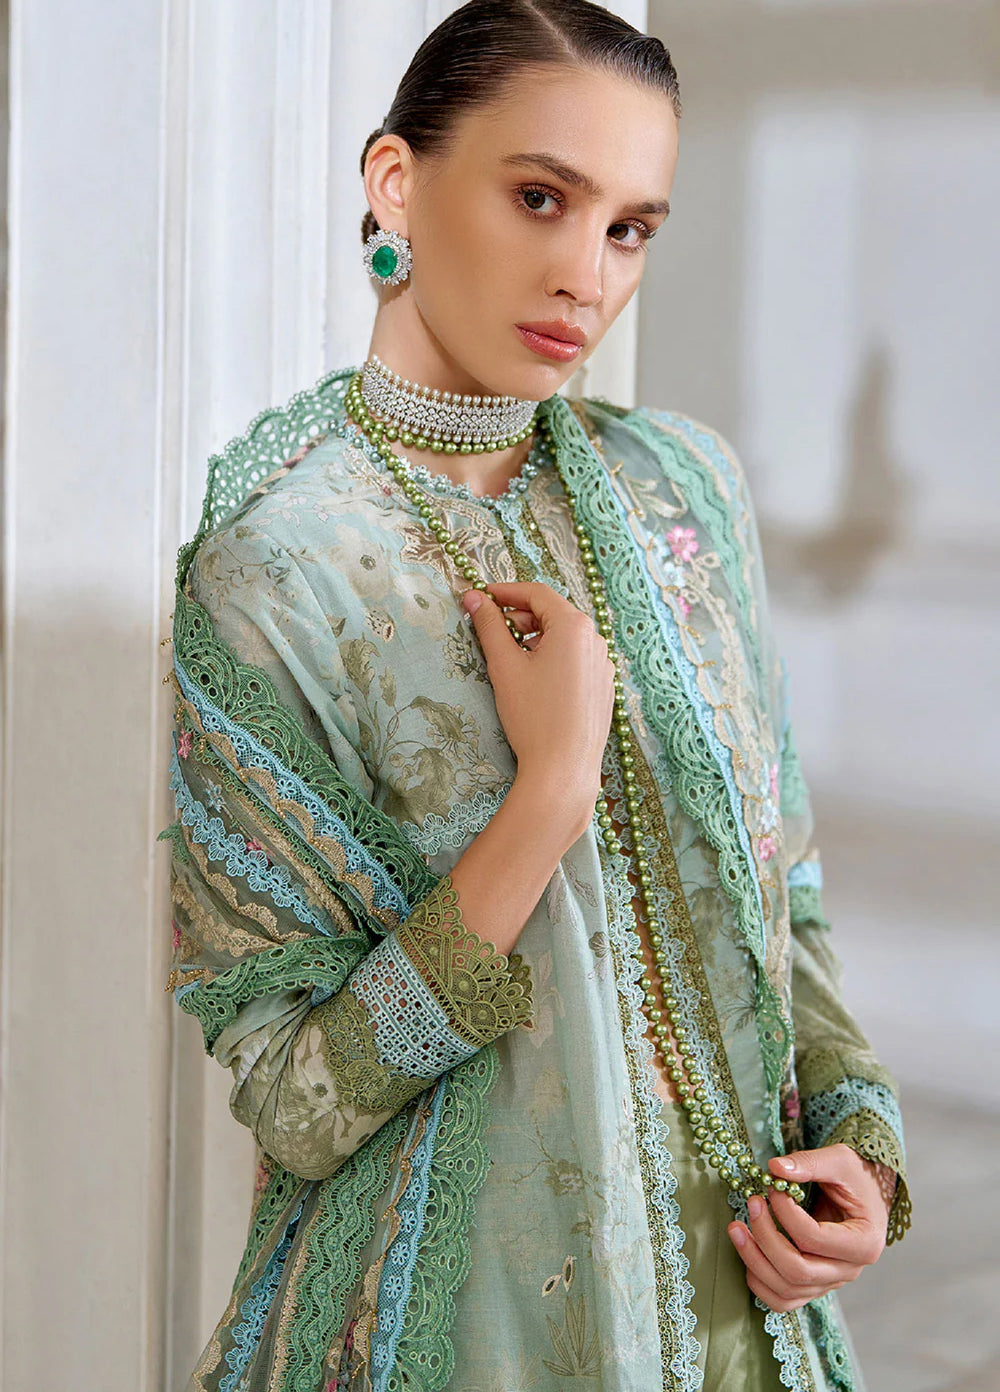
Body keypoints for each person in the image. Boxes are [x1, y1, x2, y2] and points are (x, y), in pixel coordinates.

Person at [160, 3, 912, 1389]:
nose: (584, 275)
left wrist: (859, 1143)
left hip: (743, 1317)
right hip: (469, 1334)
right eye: (540, 198)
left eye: (630, 228)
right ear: (397, 183)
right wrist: (551, 789)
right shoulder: (278, 574)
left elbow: (785, 893)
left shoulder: (685, 492)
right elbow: (299, 1101)